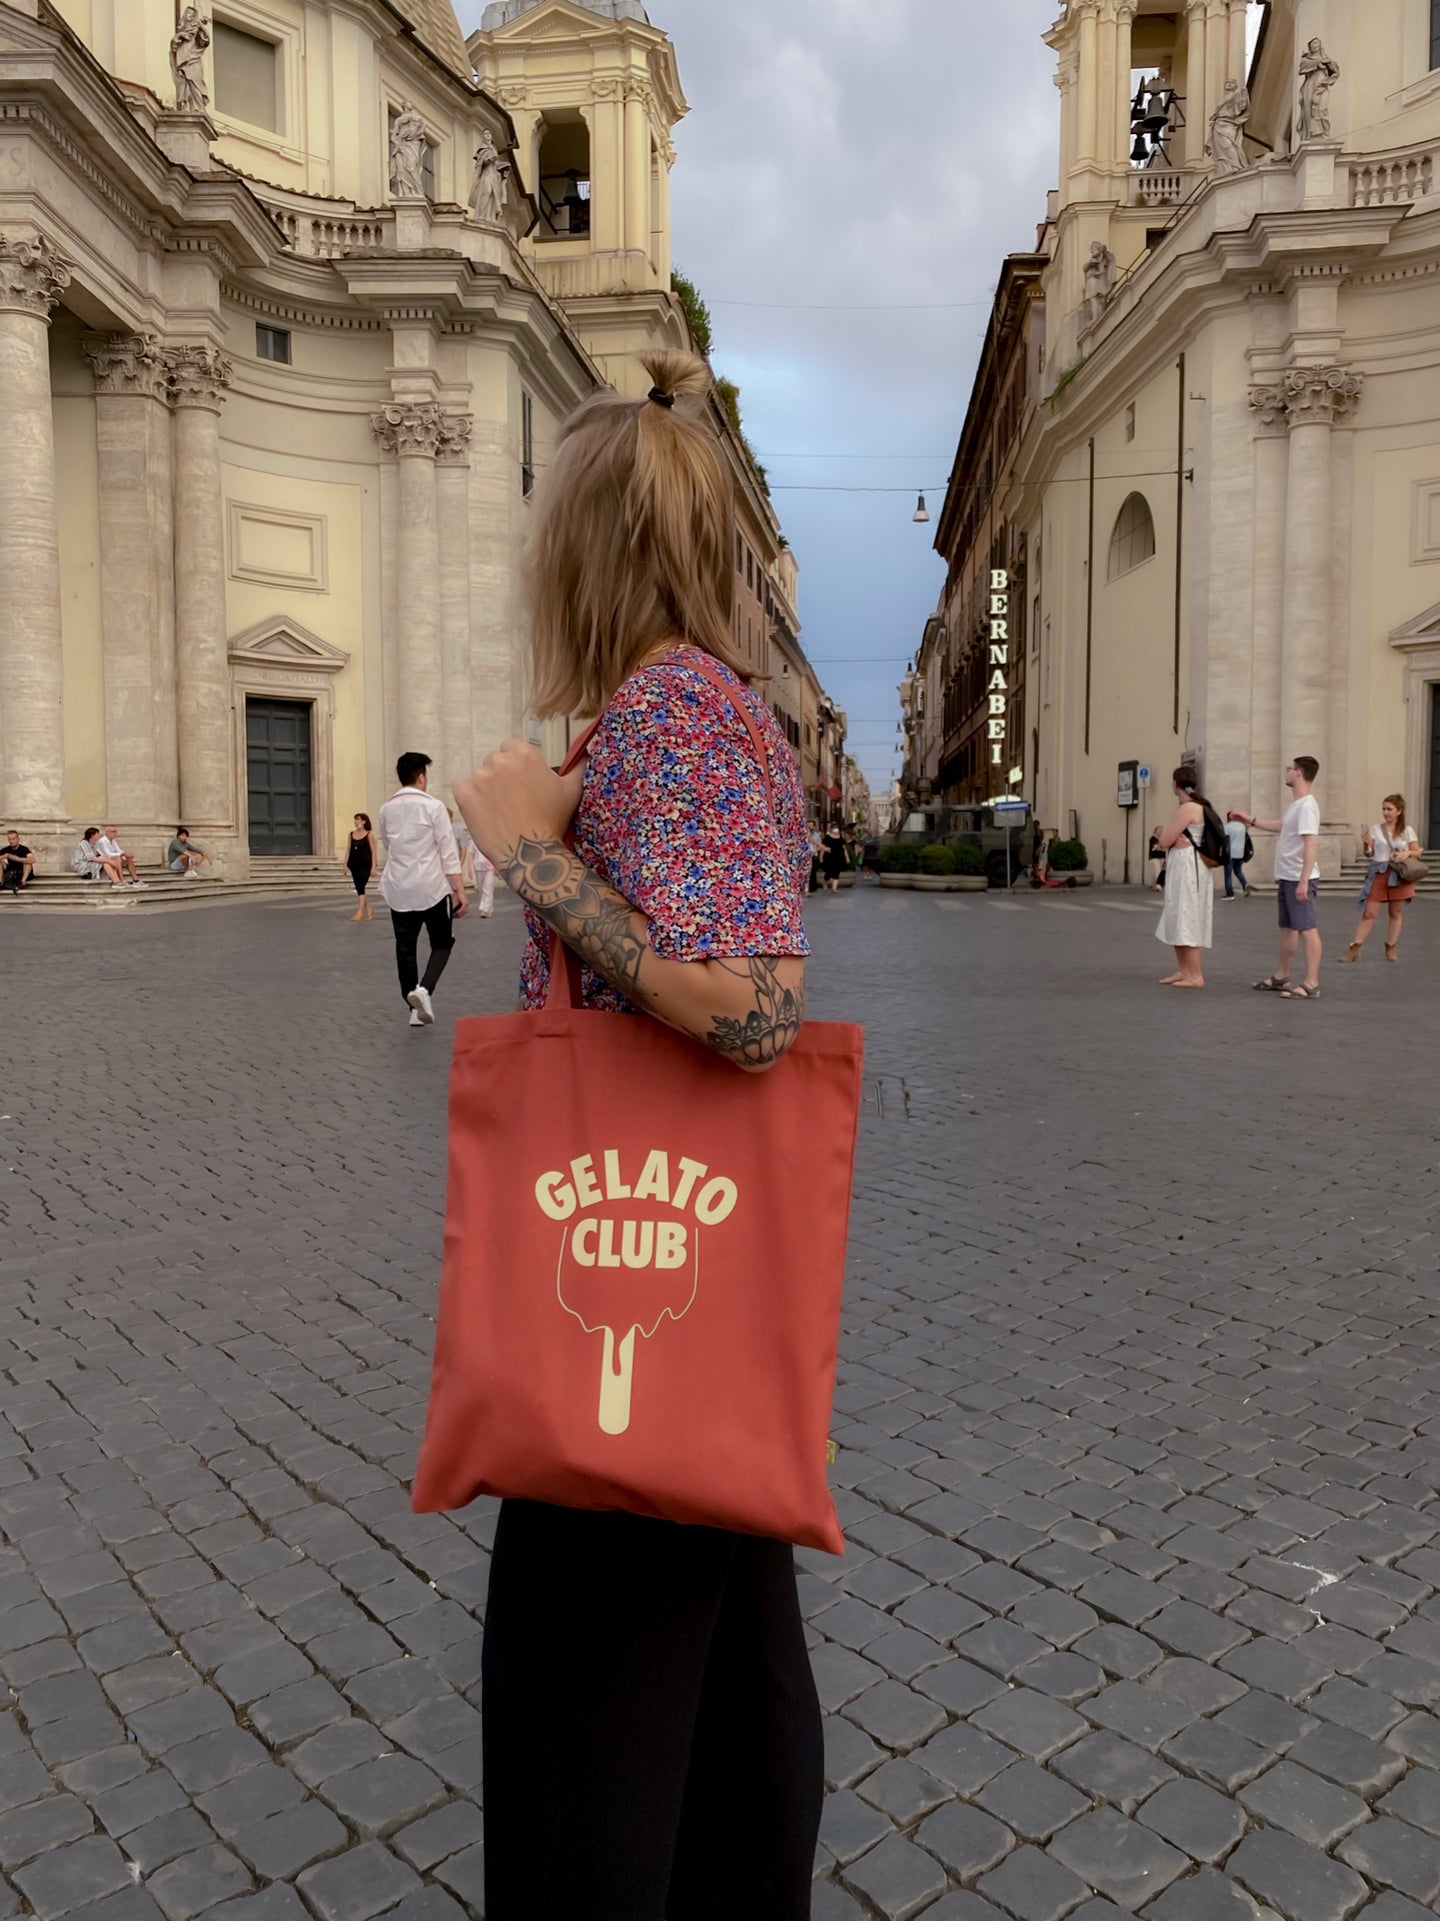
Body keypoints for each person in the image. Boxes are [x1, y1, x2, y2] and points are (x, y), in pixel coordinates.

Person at [452, 349, 817, 1918]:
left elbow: (753, 1007)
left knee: (577, 1729)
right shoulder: (710, 708)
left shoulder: (668, 712)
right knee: (734, 1694)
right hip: (681, 1255)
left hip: (623, 1259)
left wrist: (536, 859)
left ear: (585, 544)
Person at [378, 752, 468, 1026]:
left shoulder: (386, 809)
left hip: (399, 887)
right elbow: (447, 851)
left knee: (405, 948)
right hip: (432, 887)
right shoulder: (434, 807)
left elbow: (388, 845)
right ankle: (424, 990)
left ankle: (413, 1011)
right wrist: (460, 891)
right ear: (421, 777)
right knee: (442, 943)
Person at [1241, 754, 1322, 999]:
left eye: (1290, 768)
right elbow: (1281, 826)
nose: (1286, 772)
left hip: (1299, 877)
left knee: (1307, 928)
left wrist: (1304, 880)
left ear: (1298, 772)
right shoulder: (1296, 805)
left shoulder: (1307, 805)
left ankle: (1312, 982)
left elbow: (1311, 844)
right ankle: (1282, 976)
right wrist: (1251, 820)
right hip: (1288, 876)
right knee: (1287, 929)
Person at [1339, 792, 1422, 964]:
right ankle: (1355, 948)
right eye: (1384, 809)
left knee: (1396, 912)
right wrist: (1366, 844)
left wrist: (1407, 852)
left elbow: (1417, 852)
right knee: (1369, 913)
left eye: (1389, 809)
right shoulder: (1376, 829)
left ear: (1399, 811)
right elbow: (1370, 854)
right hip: (1380, 873)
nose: (1386, 812)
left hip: (1400, 874)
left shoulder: (1407, 830)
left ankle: (1391, 947)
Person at [1153, 767, 1214, 987]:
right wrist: (1170, 838)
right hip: (1185, 866)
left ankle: (1195, 975)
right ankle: (1184, 970)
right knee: (1178, 914)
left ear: (1175, 784)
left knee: (1188, 916)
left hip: (1189, 868)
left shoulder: (1189, 807)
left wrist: (1168, 838)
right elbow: (1170, 838)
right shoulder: (1195, 806)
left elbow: (1165, 840)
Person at [344, 812, 377, 922]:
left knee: (360, 887)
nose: (355, 821)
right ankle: (368, 909)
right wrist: (345, 864)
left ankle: (359, 912)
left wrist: (374, 867)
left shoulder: (369, 835)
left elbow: (373, 851)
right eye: (355, 819)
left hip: (365, 865)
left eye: (357, 819)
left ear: (363, 821)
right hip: (354, 864)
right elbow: (348, 850)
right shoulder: (351, 834)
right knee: (360, 888)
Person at [1223, 815, 1252, 899]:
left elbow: (1224, 840)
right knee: (1238, 871)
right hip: (1240, 853)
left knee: (1228, 874)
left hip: (1230, 854)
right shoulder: (1243, 826)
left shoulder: (1227, 827)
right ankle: (1245, 884)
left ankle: (1230, 894)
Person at [3, 830, 34, 895]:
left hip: (23, 872)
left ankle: (22, 882)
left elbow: (32, 859)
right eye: (9, 839)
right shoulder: (6, 849)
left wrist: (18, 859)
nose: (11, 841)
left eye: (13, 839)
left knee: (27, 862)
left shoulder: (24, 849)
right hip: (12, 872)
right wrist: (3, 856)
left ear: (18, 839)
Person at [821, 824, 846, 892]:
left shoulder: (840, 838)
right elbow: (823, 847)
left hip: (839, 857)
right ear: (831, 829)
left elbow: (844, 848)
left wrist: (847, 857)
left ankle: (834, 888)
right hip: (829, 857)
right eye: (834, 828)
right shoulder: (827, 837)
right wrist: (821, 857)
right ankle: (825, 882)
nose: (836, 830)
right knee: (829, 872)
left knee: (837, 872)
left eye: (837, 829)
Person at [807, 825, 824, 893]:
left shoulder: (817, 836)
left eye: (811, 825)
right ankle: (808, 888)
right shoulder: (804, 836)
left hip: (814, 855)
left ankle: (812, 887)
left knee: (813, 872)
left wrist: (815, 850)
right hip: (807, 856)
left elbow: (819, 844)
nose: (810, 826)